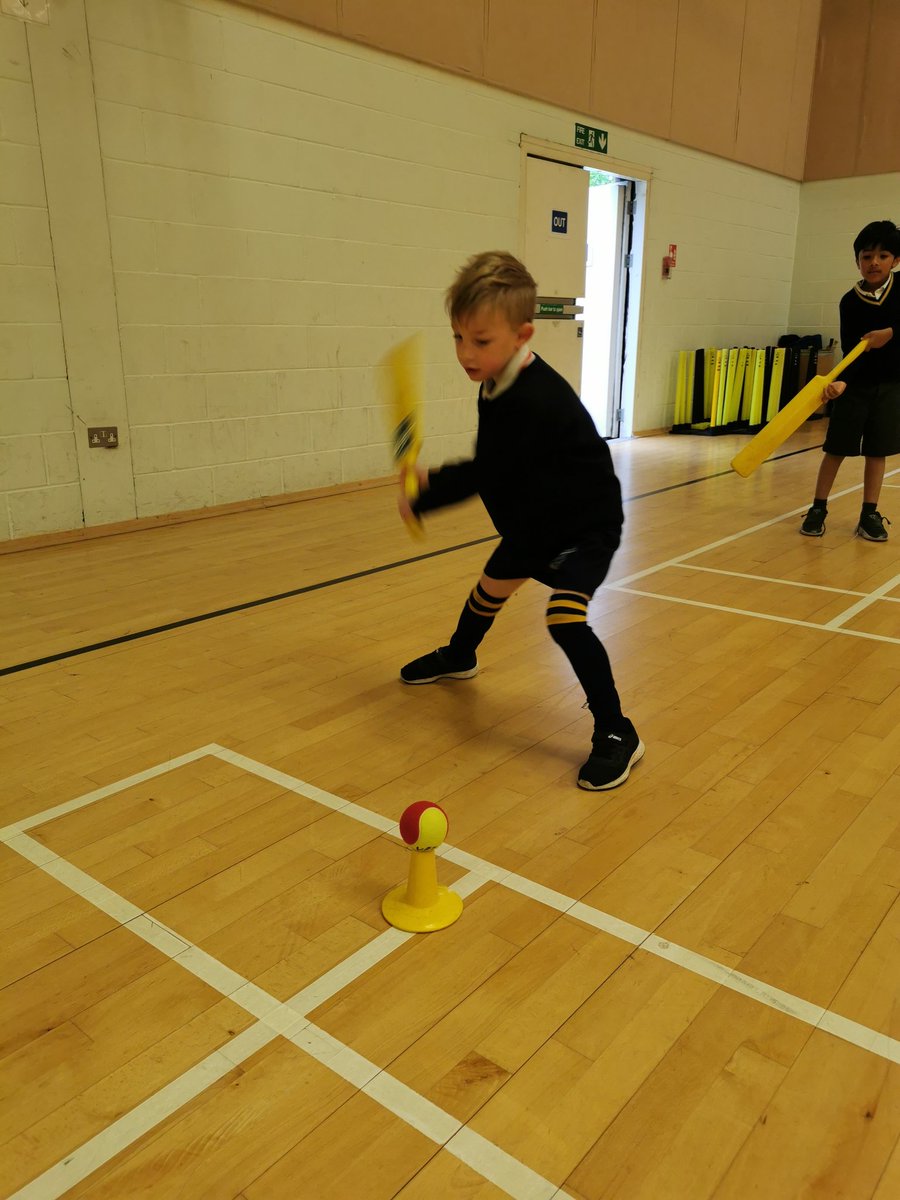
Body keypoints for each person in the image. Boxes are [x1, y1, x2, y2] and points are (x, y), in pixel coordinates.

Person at [396, 250, 642, 791]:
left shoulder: (537, 400)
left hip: (584, 526)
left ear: (522, 334)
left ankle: (617, 730)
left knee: (564, 618)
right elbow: (501, 470)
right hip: (536, 520)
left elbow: (490, 470)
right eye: (458, 337)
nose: (465, 353)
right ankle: (460, 655)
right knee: (490, 588)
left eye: (479, 341)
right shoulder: (496, 380)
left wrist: (425, 491)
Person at [800, 219, 900, 540]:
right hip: (855, 387)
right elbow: (850, 347)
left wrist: (891, 333)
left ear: (895, 261)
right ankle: (818, 507)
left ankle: (869, 514)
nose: (874, 262)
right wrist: (841, 380)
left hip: (891, 386)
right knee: (837, 448)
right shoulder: (850, 301)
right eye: (866, 256)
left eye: (883, 256)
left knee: (877, 450)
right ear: (857, 261)